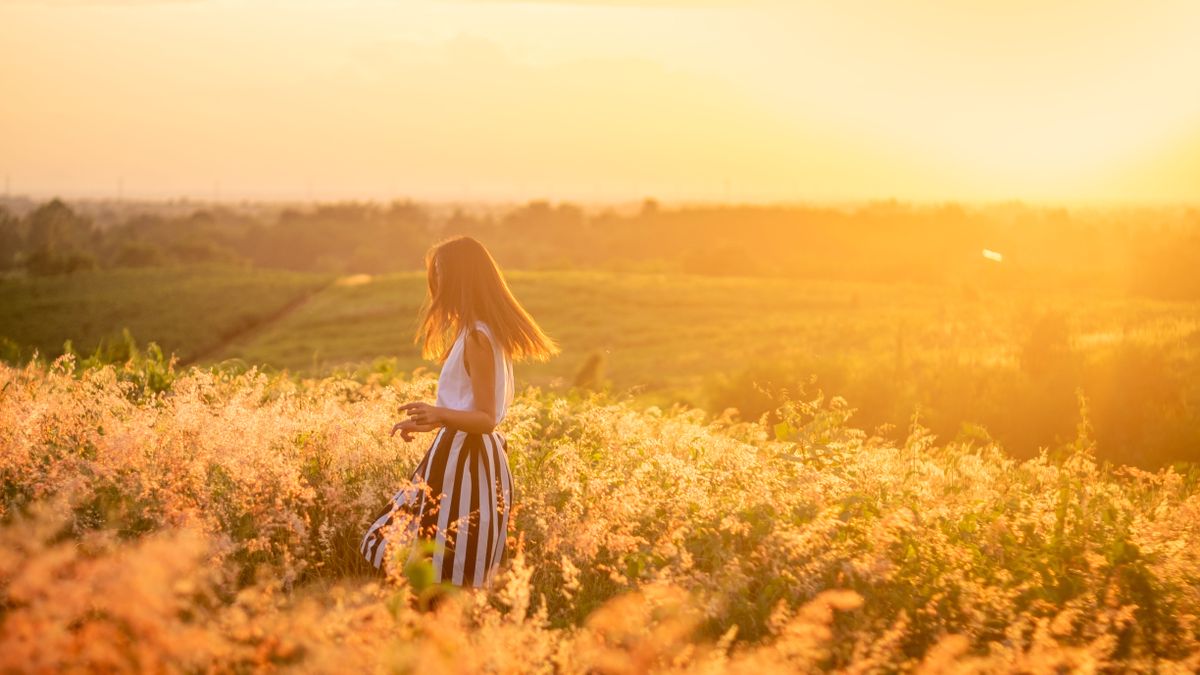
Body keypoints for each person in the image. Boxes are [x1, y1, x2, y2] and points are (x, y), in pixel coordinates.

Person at [359, 236, 559, 591]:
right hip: (458, 453)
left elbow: (485, 418)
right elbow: (469, 408)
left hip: (468, 460)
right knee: (425, 557)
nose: (435, 287)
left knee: (444, 566)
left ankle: (437, 636)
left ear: (460, 281)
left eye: (440, 276)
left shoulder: (478, 337)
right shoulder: (477, 332)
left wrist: (438, 413)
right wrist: (431, 420)